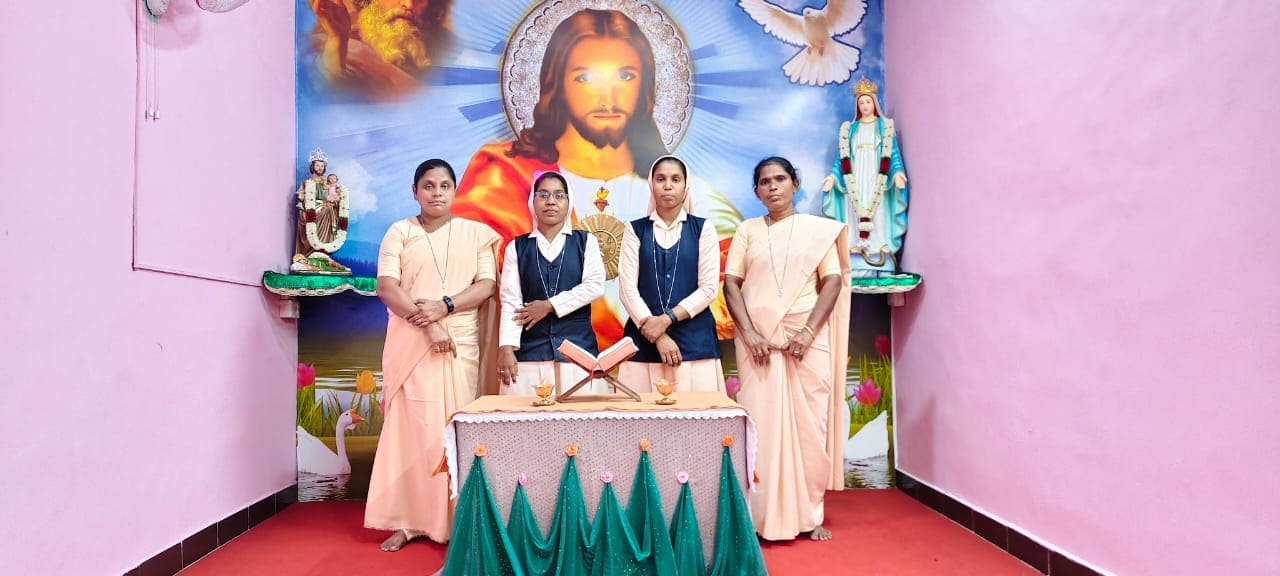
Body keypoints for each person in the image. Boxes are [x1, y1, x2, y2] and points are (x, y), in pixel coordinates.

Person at [453, 8, 678, 348]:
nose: (607, 98)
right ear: (556, 85)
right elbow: (494, 282)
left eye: (625, 76)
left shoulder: (674, 188)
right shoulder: (501, 176)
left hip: (650, 351)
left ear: (646, 87)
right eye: (585, 78)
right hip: (541, 346)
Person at [365, 158, 501, 551]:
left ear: (455, 191)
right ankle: (408, 522)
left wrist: (445, 306)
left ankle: (461, 520)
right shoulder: (400, 232)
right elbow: (387, 287)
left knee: (455, 430)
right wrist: (428, 324)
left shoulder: (476, 234)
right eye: (428, 186)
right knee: (412, 432)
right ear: (415, 192)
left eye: (444, 186)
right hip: (413, 343)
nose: (436, 193)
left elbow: (487, 285)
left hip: (460, 346)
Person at [725, 156, 851, 542]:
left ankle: (809, 515)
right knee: (761, 427)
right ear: (756, 191)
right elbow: (731, 284)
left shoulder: (818, 232)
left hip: (806, 342)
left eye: (780, 179)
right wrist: (750, 334)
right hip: (758, 345)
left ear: (795, 184)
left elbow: (832, 282)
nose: (773, 186)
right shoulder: (747, 230)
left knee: (810, 426)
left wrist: (808, 333)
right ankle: (760, 517)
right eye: (765, 182)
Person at [617, 155, 724, 393]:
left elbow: (709, 289)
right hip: (644, 343)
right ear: (651, 184)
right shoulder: (635, 230)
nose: (667, 186)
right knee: (642, 413)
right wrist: (658, 335)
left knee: (696, 413)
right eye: (660, 179)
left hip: (696, 343)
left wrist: (665, 320)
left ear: (686, 186)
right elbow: (627, 290)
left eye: (675, 179)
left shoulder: (702, 228)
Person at [497, 171, 606, 395]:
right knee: (526, 415)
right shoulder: (517, 247)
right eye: (543, 195)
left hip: (578, 351)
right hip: (530, 351)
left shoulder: (585, 242)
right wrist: (506, 347)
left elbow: (594, 286)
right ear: (533, 201)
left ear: (568, 202)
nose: (550, 202)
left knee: (582, 415)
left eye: (558, 195)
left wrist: (549, 305)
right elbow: (510, 300)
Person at [821, 76, 908, 277]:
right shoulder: (850, 129)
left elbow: (893, 153)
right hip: (855, 177)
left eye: (868, 101)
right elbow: (842, 157)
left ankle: (879, 246)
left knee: (878, 208)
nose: (865, 106)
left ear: (874, 103)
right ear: (857, 106)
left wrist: (897, 173)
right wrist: (832, 178)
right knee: (854, 209)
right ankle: (855, 246)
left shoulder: (884, 126)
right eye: (861, 103)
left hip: (877, 177)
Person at [307, 0, 454, 100]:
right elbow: (328, 92)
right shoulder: (339, 44)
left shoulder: (446, 50)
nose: (408, 4)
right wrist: (337, 42)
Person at [293, 148, 351, 274]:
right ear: (312, 166)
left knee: (327, 235)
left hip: (328, 215)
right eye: (317, 165)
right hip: (313, 215)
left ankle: (323, 260)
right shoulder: (307, 183)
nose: (320, 168)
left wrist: (338, 200)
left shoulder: (328, 184)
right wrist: (305, 211)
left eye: (322, 166)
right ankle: (309, 260)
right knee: (309, 233)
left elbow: (335, 198)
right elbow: (302, 200)